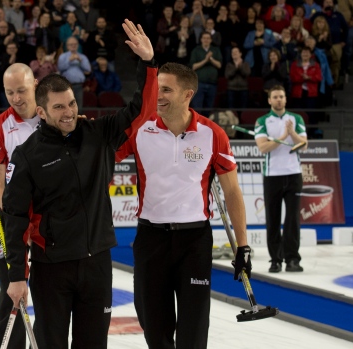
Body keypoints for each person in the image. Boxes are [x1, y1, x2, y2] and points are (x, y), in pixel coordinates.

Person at [1, 19, 156, 349]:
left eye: (71, 103)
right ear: (41, 112)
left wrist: (148, 64)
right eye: (59, 107)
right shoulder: (26, 157)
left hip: (97, 262)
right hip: (51, 269)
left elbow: (140, 111)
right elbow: (14, 218)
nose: (69, 112)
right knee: (51, 343)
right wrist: (16, 275)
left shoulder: (98, 135)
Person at [114, 62, 250, 349]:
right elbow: (102, 154)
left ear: (188, 94)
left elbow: (233, 191)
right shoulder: (141, 129)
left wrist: (243, 246)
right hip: (151, 239)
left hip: (194, 241)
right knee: (154, 328)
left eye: (166, 89)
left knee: (193, 329)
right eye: (156, 88)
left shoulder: (213, 134)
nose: (158, 95)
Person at [0, 61, 40, 349]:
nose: (16, 98)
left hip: (52, 225)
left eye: (21, 90)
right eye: (9, 92)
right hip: (12, 224)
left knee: (51, 299)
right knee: (12, 297)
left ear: (35, 86)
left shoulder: (53, 117)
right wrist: (21, 230)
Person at [254, 85, 307, 273]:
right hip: (272, 175)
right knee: (273, 218)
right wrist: (282, 137)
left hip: (293, 174)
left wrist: (292, 133)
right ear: (269, 100)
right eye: (275, 96)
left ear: (286, 99)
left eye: (281, 96)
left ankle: (293, 258)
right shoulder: (262, 121)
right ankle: (275, 259)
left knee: (293, 219)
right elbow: (262, 147)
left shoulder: (296, 118)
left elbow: (304, 145)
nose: (278, 99)